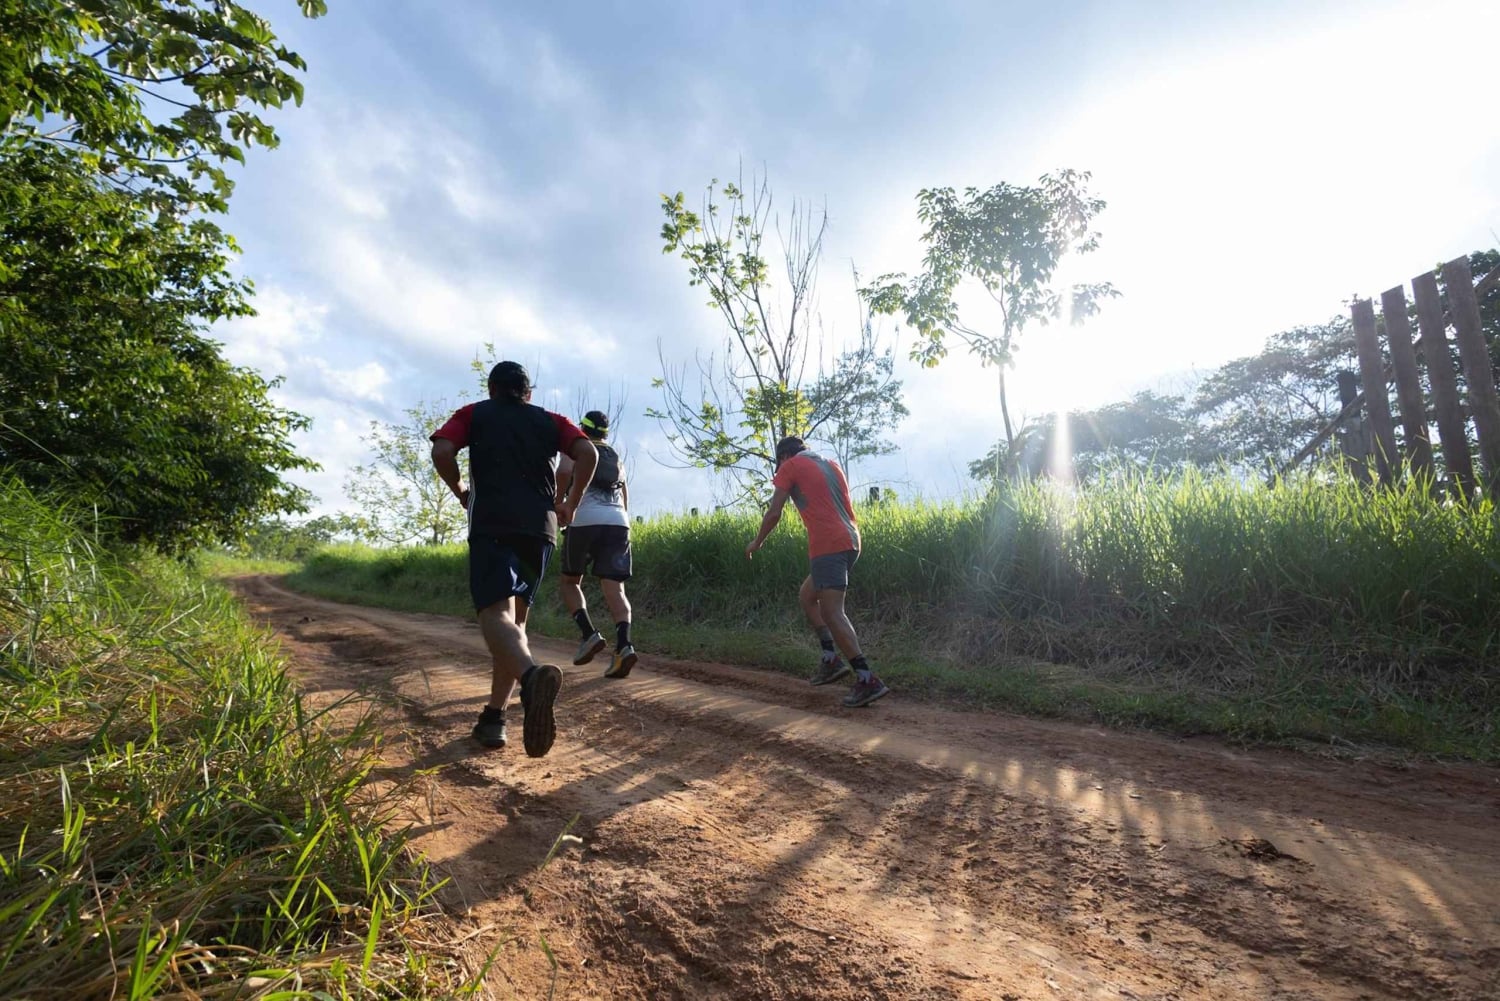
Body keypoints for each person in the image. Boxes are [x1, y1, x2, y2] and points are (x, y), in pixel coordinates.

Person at [430, 361, 598, 754]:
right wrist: (570, 503)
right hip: (539, 529)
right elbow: (587, 451)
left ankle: (532, 676)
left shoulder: (474, 414)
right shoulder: (550, 420)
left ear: (491, 389)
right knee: (516, 624)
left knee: (495, 615)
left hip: (492, 523)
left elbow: (442, 449)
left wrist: (458, 489)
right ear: (528, 392)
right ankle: (494, 718)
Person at [744, 436, 890, 708]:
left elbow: (774, 511)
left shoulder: (791, 466)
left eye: (778, 463)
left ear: (784, 456)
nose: (778, 469)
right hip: (851, 541)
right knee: (807, 596)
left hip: (828, 544)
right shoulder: (831, 465)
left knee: (832, 612)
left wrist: (757, 541)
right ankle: (830, 659)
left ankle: (866, 678)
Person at [556, 410, 639, 679]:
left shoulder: (576, 447)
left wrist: (560, 502)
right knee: (615, 587)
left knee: (570, 581)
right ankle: (624, 646)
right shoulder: (616, 456)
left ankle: (588, 634)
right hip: (618, 521)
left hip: (583, 520)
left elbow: (564, 471)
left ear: (583, 427)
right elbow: (625, 495)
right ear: (606, 432)